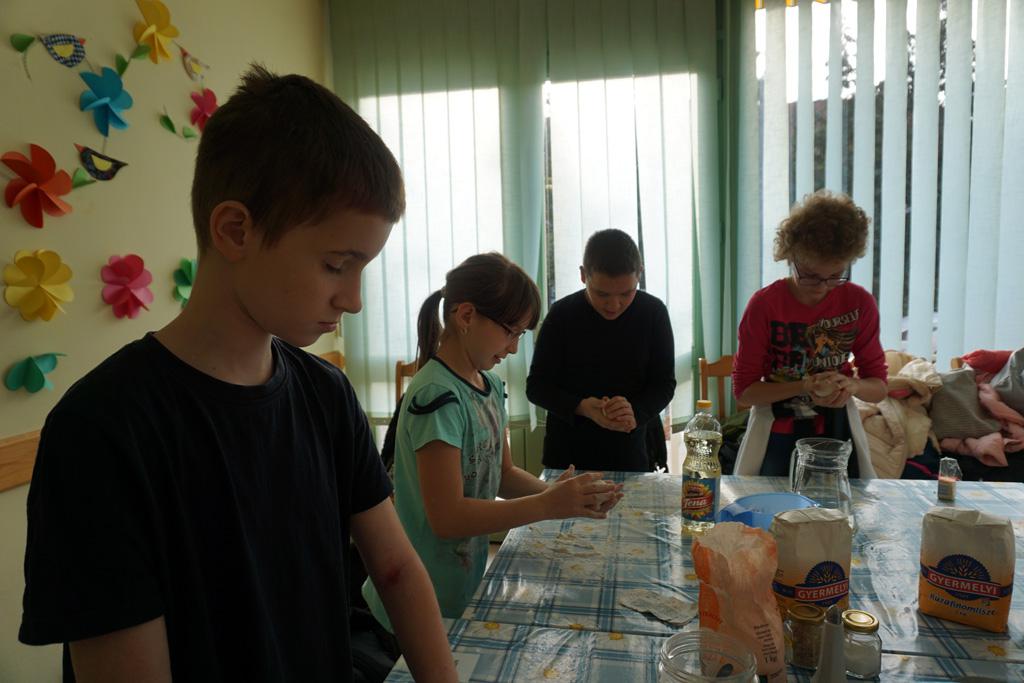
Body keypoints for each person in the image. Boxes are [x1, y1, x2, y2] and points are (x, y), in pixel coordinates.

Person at [19, 65, 457, 682]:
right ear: (235, 230)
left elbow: (396, 570)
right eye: (337, 265)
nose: (354, 300)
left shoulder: (326, 394)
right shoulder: (103, 429)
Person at [363, 253, 624, 628]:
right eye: (510, 331)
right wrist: (546, 505)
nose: (514, 347)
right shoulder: (437, 397)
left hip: (459, 585)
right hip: (416, 597)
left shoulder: (489, 386)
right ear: (467, 315)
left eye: (521, 335)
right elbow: (447, 518)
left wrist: (563, 497)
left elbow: (502, 473)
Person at [732, 190, 887, 477]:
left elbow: (878, 388)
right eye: (811, 276)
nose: (822, 287)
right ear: (790, 256)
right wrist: (804, 385)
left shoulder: (859, 303)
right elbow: (745, 391)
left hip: (838, 428)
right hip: (774, 431)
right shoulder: (765, 305)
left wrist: (852, 386)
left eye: (835, 276)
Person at [526, 229, 676, 472]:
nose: (614, 305)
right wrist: (582, 407)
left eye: (626, 293)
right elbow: (537, 387)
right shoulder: (561, 315)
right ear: (583, 275)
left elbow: (664, 384)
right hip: (568, 454)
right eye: (602, 294)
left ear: (640, 274)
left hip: (630, 451)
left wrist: (634, 412)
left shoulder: (653, 313)